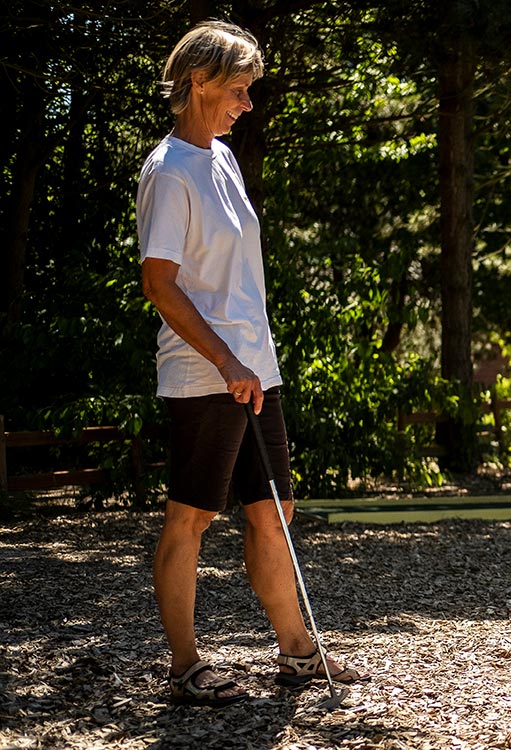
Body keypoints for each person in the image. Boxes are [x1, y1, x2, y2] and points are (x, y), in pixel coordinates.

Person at [137, 20, 365, 706]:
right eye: (239, 89)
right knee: (191, 517)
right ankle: (185, 668)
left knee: (274, 510)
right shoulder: (169, 171)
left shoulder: (223, 160)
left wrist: (250, 361)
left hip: (254, 369)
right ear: (198, 81)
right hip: (204, 373)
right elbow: (159, 283)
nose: (247, 103)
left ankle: (297, 653)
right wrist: (225, 358)